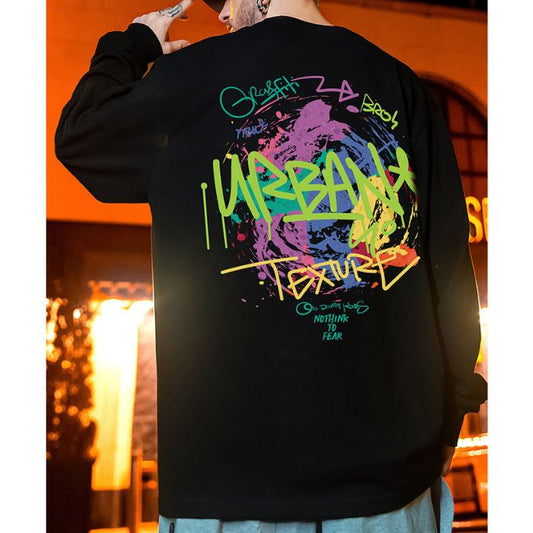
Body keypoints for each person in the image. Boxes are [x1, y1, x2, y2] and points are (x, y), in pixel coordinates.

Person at [54, 0, 488, 531]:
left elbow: (80, 137)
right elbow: (450, 276)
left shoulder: (188, 81)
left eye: (226, 3)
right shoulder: (401, 85)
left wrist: (135, 44)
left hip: (227, 496)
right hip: (390, 491)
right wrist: (449, 421)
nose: (223, 18)